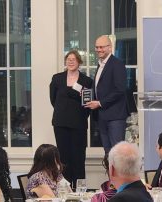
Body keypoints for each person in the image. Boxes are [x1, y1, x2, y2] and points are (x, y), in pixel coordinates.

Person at [50, 50, 93, 187]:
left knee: (79, 158)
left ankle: (80, 190)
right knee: (63, 158)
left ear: (79, 62)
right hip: (60, 123)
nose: (71, 61)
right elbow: (53, 100)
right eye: (68, 59)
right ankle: (65, 189)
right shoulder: (57, 78)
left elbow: (88, 103)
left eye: (74, 59)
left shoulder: (87, 80)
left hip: (79, 124)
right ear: (65, 61)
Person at [85, 35, 129, 154]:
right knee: (108, 153)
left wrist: (99, 103)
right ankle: (111, 173)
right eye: (97, 47)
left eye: (101, 47)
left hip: (115, 117)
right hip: (102, 117)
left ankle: (118, 174)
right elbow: (101, 88)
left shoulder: (117, 64)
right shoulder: (100, 64)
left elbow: (120, 90)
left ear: (109, 47)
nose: (99, 49)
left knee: (118, 154)